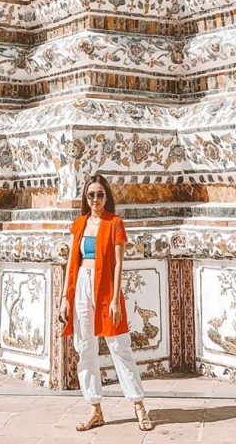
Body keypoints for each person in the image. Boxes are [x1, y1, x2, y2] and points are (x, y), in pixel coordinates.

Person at [58, 173, 154, 432]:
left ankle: (138, 404)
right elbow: (70, 264)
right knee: (85, 346)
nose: (96, 199)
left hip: (106, 288)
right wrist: (64, 297)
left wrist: (114, 299)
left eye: (100, 195)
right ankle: (95, 408)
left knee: (119, 346)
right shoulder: (79, 224)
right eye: (91, 195)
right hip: (81, 286)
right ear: (85, 198)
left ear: (106, 196)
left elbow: (119, 264)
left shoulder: (115, 223)